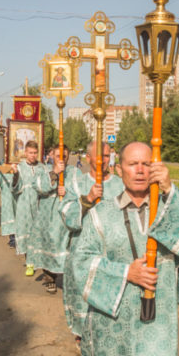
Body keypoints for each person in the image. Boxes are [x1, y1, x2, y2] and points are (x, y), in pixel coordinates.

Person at [70, 142, 179, 356]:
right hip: (114, 330)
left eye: (147, 164)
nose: (141, 171)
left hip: (157, 329)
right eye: (133, 164)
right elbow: (81, 263)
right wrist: (126, 273)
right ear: (119, 169)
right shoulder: (101, 215)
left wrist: (169, 189)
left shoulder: (169, 211)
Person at [60, 141, 125, 342]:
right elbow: (66, 214)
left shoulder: (120, 184)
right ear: (88, 158)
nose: (103, 160)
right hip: (82, 249)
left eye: (106, 156)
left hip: (112, 252)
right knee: (82, 295)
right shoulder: (77, 182)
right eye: (98, 156)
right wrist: (87, 199)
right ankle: (81, 335)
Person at [29, 146, 75, 294]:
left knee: (69, 247)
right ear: (52, 155)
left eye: (65, 156)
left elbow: (82, 191)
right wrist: (54, 173)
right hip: (48, 216)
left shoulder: (74, 172)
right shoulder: (43, 169)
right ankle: (49, 277)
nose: (61, 158)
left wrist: (68, 192)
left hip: (67, 216)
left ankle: (69, 277)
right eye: (58, 155)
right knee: (50, 245)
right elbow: (38, 186)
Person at [11, 140, 43, 277]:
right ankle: (29, 262)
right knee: (25, 232)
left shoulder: (42, 167)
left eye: (35, 153)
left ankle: (37, 259)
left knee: (37, 233)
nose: (33, 155)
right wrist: (15, 175)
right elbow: (15, 188)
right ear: (25, 153)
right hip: (24, 204)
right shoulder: (20, 167)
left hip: (39, 204)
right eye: (30, 152)